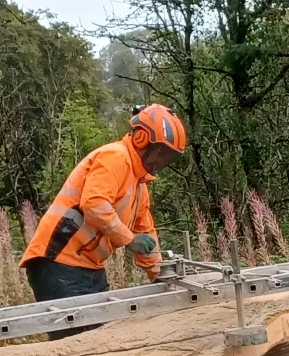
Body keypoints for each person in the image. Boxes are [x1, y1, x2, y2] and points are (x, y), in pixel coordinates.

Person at [19, 103, 186, 339]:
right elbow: (94, 205)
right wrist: (128, 239)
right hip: (57, 262)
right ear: (141, 138)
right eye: (159, 152)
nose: (161, 161)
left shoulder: (139, 184)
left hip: (89, 266)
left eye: (167, 157)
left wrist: (160, 273)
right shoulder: (115, 157)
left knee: (102, 340)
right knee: (77, 346)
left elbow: (145, 231)